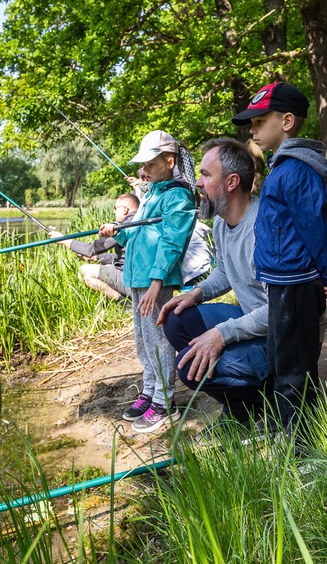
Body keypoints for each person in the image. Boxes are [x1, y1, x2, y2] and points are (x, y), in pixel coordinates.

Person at [231, 82, 327, 433]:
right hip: (283, 283)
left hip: (295, 285)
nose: (252, 130)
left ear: (287, 121)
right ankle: (292, 434)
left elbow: (317, 229)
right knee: (281, 362)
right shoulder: (283, 167)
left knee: (294, 369)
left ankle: (303, 448)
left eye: (259, 121)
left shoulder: (296, 170)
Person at [158, 138, 269, 428]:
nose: (197, 182)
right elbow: (225, 271)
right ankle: (240, 407)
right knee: (176, 318)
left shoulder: (263, 230)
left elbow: (281, 309)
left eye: (206, 175)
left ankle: (269, 400)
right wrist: (196, 293)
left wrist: (222, 335)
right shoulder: (222, 221)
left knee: (189, 366)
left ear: (232, 182)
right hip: (251, 318)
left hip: (280, 336)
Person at [99, 130, 197, 433]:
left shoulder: (177, 195)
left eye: (150, 164)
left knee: (159, 341)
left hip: (156, 280)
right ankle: (150, 390)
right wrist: (119, 231)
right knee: (143, 342)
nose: (144, 171)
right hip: (138, 277)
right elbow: (140, 230)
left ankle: (165, 402)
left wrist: (157, 281)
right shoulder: (153, 192)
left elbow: (171, 241)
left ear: (169, 161)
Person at [50, 193, 139, 301]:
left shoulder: (124, 226)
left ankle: (125, 303)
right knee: (100, 270)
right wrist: (95, 258)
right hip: (135, 277)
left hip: (134, 282)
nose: (113, 211)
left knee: (84, 271)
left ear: (125, 209)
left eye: (115, 208)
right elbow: (121, 257)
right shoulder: (139, 219)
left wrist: (63, 240)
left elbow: (91, 249)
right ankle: (127, 301)